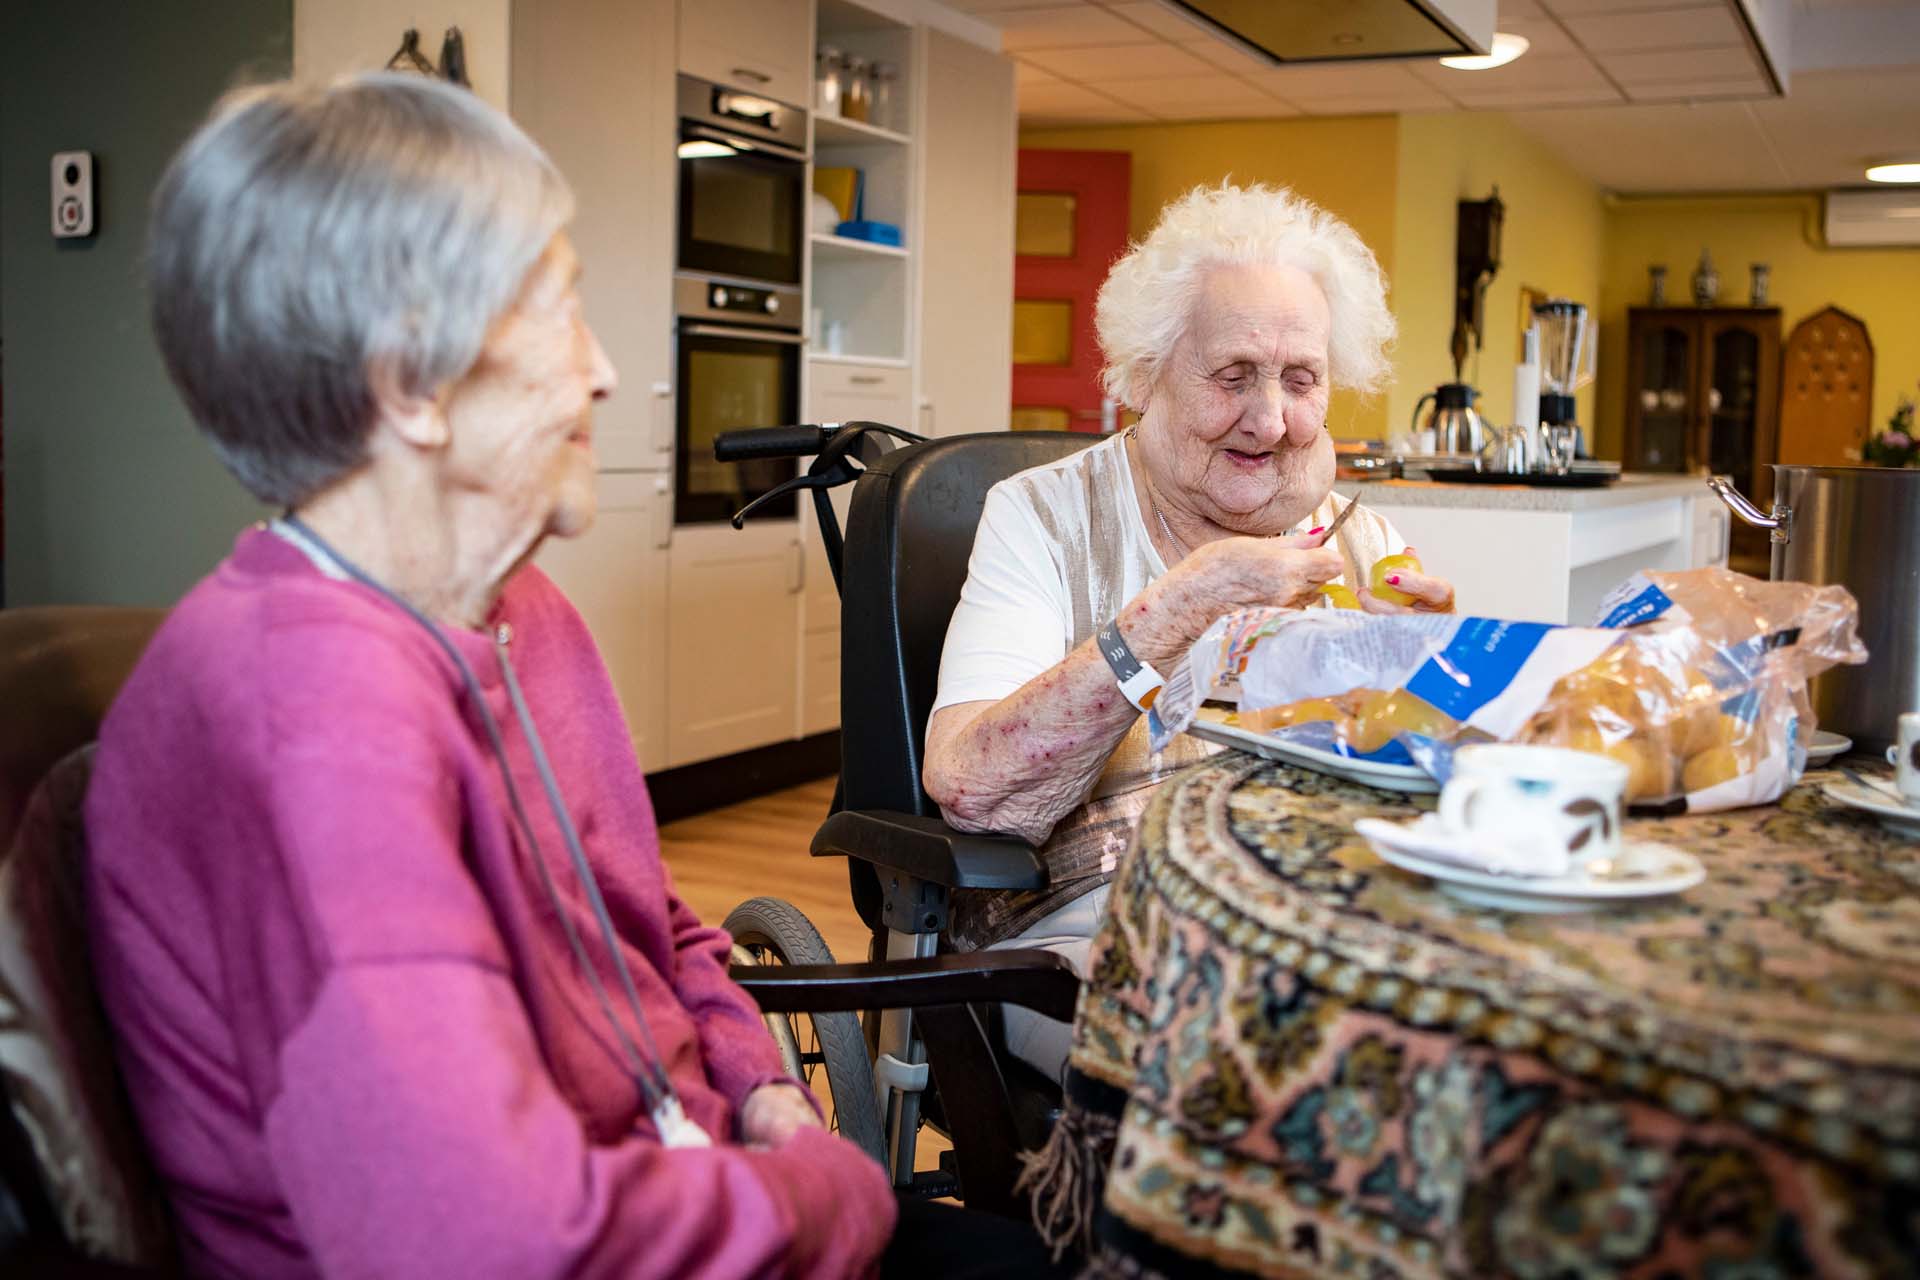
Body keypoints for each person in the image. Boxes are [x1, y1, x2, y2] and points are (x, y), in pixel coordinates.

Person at [86, 74, 1060, 1279]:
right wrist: (824, 1198)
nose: (602, 369)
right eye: (559, 312)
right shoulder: (311, 723)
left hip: (694, 1185)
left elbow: (644, 918)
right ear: (409, 384)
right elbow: (489, 1240)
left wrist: (762, 1091)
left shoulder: (519, 607)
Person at [922, 182, 1456, 1078]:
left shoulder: (1355, 534)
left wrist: (1428, 685)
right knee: (1282, 1065)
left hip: (1321, 912)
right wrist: (1178, 607)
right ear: (1144, 376)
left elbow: (1428, 773)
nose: (1272, 419)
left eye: (1301, 380)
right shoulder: (1041, 518)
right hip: (1097, 920)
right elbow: (974, 791)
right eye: (1233, 375)